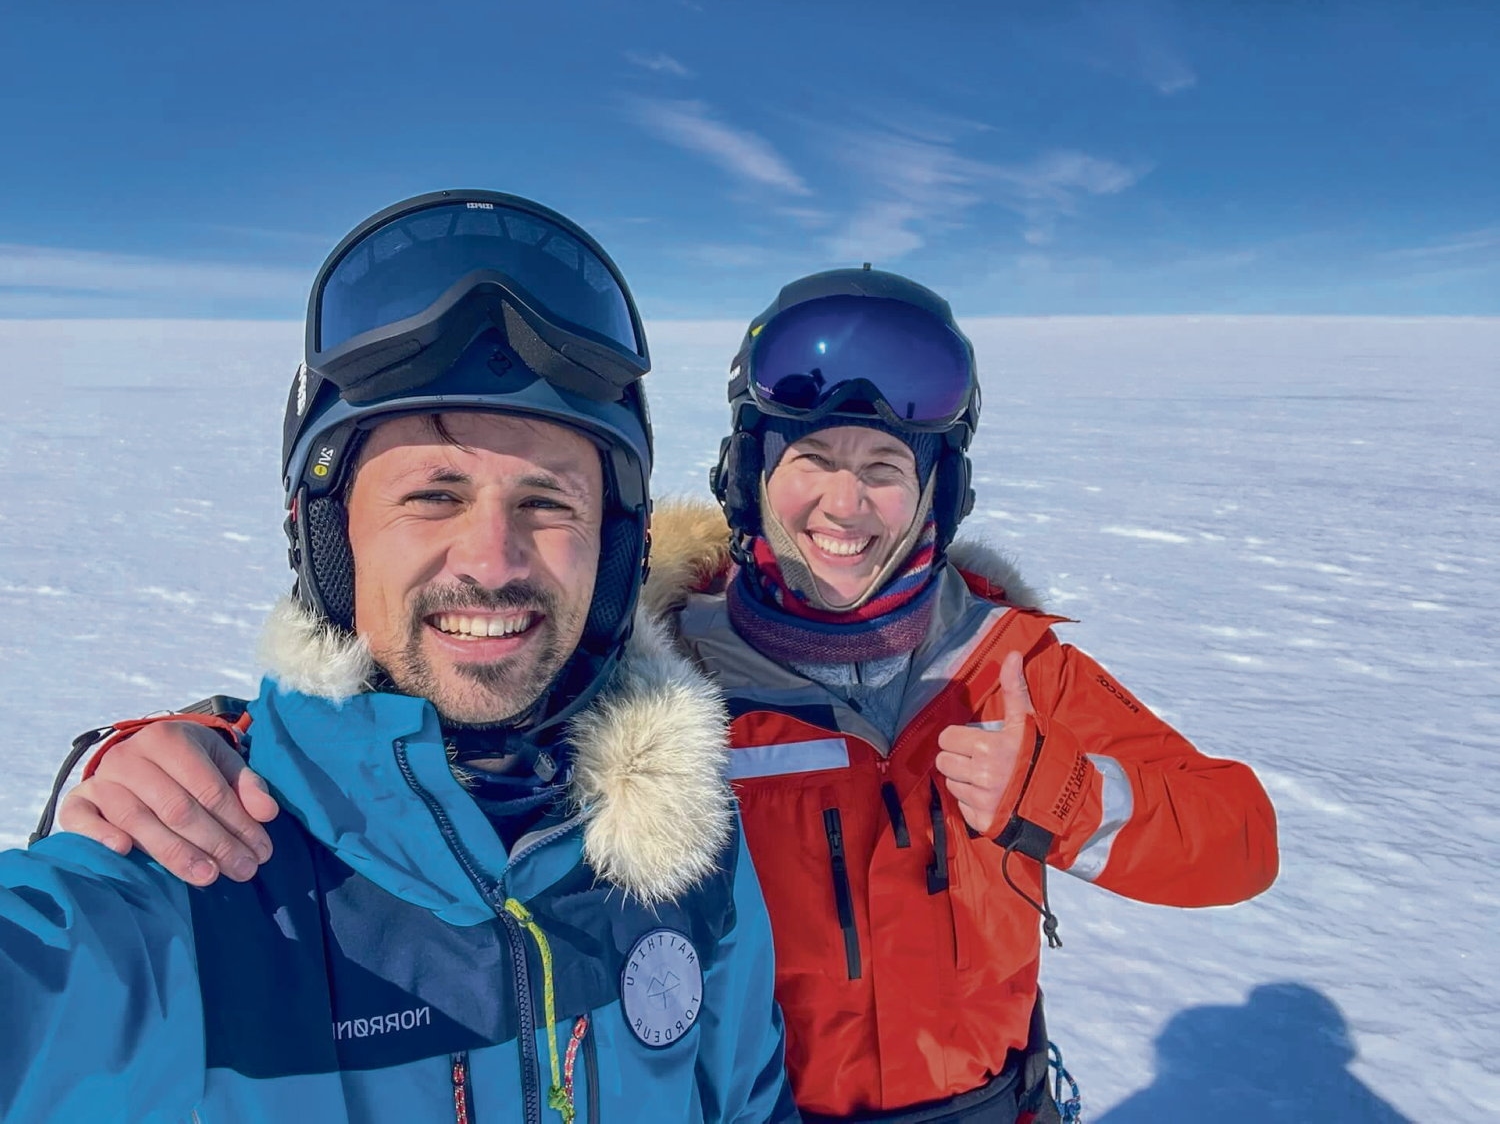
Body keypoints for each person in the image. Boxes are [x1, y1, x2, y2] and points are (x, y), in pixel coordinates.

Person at [58, 267, 1280, 1122]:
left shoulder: (1015, 667)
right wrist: (176, 751)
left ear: (937, 497)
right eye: (808, 463)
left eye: (884, 470)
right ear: (750, 475)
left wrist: (1056, 795)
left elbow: (1240, 842)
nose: (843, 509)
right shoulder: (663, 663)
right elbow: (442, 719)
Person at [2, 190, 796, 1123]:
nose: (493, 562)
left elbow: (748, 1101)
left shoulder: (686, 842)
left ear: (616, 548)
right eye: (432, 496)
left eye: (548, 503)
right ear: (329, 539)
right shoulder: (204, 867)